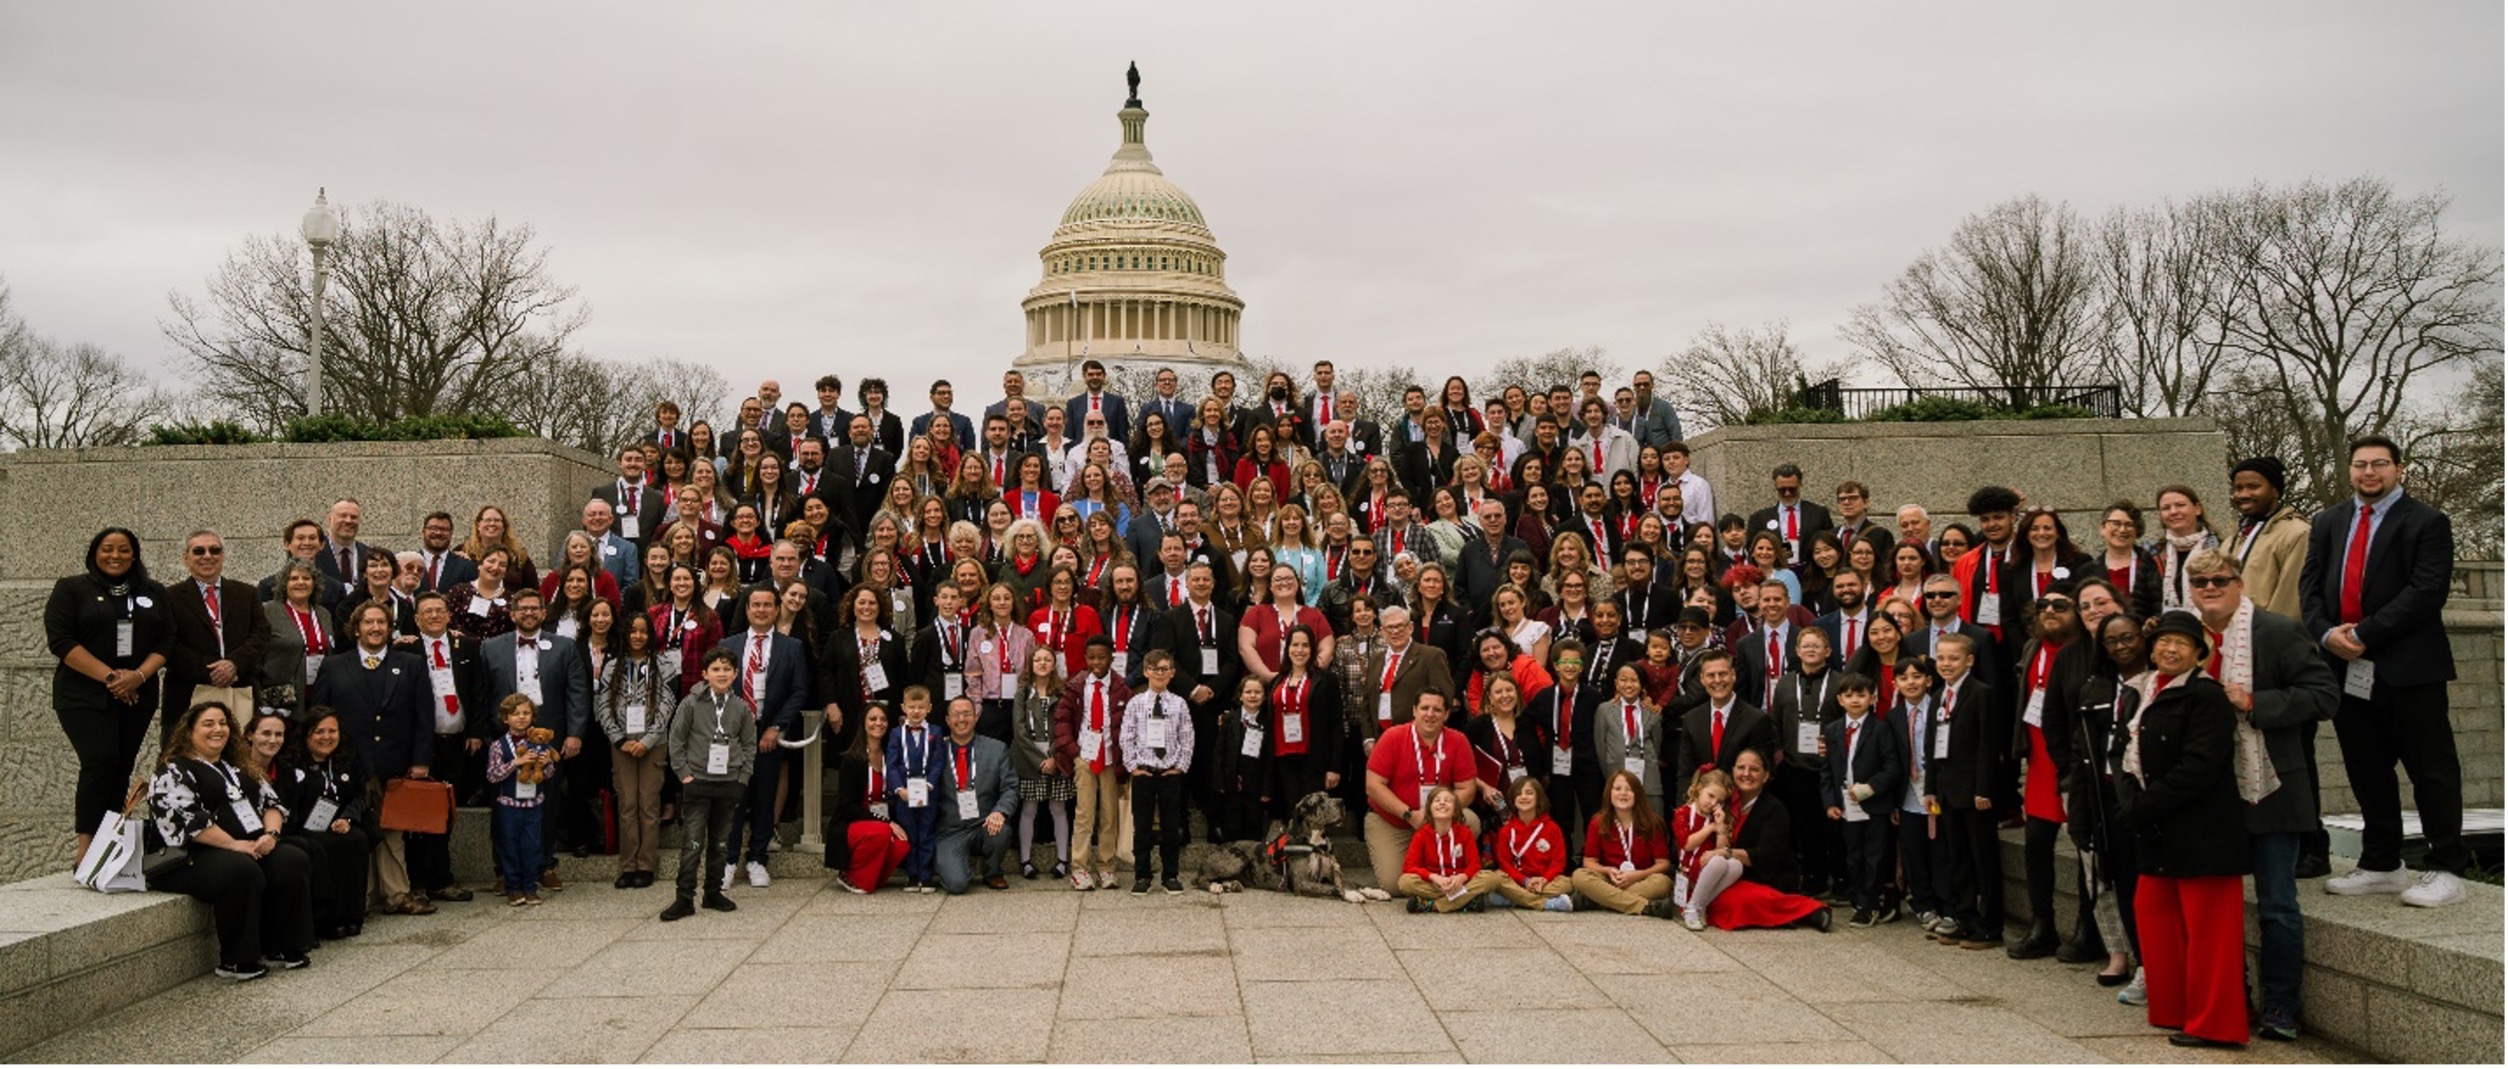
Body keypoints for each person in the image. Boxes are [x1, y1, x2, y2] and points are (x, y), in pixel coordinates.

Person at [2179, 549, 2338, 1039]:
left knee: (2277, 905)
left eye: (2219, 580)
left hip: (2270, 785)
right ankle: (2229, 1000)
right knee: (2213, 909)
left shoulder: (2277, 631)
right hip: (2209, 793)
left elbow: (2324, 696)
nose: (2210, 588)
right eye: (2200, 581)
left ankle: (2281, 1007)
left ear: (2238, 582)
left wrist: (2254, 703)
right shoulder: (2185, 638)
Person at [2303, 435, 2466, 908]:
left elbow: (2427, 590)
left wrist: (2366, 633)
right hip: (2346, 666)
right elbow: (2310, 585)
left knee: (2430, 769)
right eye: (2360, 465)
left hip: (2409, 668)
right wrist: (2326, 633)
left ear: (2398, 468)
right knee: (2366, 768)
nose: (2368, 473)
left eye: (2379, 464)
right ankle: (2381, 862)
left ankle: (2446, 865)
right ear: (2349, 470)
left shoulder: (2428, 522)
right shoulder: (2329, 521)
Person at [2113, 612, 2251, 1049]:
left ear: (2198, 653)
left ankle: (2217, 1025)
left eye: (2182, 643)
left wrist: (2143, 806)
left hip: (2202, 829)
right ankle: (2172, 1008)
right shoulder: (2145, 690)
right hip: (2157, 829)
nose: (2170, 649)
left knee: (2211, 933)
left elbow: (2201, 766)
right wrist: (2132, 800)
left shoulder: (2205, 696)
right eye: (2164, 642)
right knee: (2153, 913)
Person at [148, 700, 316, 980]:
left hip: (250, 845)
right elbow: (189, 820)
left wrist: (271, 835)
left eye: (223, 723)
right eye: (208, 724)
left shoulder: (238, 767)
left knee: (291, 859)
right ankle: (237, 961)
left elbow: (273, 804)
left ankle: (282, 946)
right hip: (193, 855)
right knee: (241, 870)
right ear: (189, 731)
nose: (218, 729)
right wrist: (235, 845)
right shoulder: (174, 770)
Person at [50, 527, 173, 863]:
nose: (115, 556)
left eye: (123, 550)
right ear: (94, 552)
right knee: (100, 759)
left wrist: (137, 676)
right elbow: (61, 642)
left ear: (134, 555)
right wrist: (111, 678)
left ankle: (111, 839)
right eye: (107, 549)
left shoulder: (153, 592)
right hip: (83, 694)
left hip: (138, 694)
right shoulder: (72, 588)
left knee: (120, 766)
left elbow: (166, 642)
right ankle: (86, 846)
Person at [308, 601, 432, 915]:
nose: (375, 628)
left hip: (396, 763)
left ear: (390, 628)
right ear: (356, 628)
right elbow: (320, 715)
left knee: (392, 831)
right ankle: (358, 897)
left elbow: (423, 716)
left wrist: (421, 760)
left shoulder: (410, 664)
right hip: (349, 764)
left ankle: (396, 894)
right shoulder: (334, 665)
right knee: (353, 829)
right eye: (368, 623)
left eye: (381, 623)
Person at [478, 588, 589, 893]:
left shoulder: (565, 647)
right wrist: (486, 736)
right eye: (522, 608)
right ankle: (504, 870)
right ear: (512, 614)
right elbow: (482, 693)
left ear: (543, 613)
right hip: (505, 740)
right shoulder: (490, 648)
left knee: (548, 804)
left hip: (547, 739)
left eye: (534, 608)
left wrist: (574, 733)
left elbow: (577, 692)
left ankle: (544, 865)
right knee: (503, 807)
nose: (528, 613)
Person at [1925, 632, 2006, 949]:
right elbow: (1931, 747)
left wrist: (1983, 789)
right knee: (1956, 857)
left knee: (1982, 858)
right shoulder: (1938, 697)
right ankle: (1964, 917)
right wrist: (1931, 787)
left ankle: (1989, 925)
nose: (1946, 664)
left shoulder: (1980, 694)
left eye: (1953, 658)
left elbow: (1988, 745)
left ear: (1969, 661)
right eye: (1941, 658)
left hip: (1974, 791)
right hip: (1946, 790)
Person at [267, 710, 372, 941]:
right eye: (319, 732)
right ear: (306, 735)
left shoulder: (346, 760)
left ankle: (350, 916)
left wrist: (347, 818)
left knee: (357, 840)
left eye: (332, 731)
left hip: (338, 824)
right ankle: (325, 920)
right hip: (301, 828)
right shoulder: (291, 765)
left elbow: (360, 795)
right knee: (320, 847)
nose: (327, 737)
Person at [662, 650, 752, 920]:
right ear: (705, 674)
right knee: (692, 842)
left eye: (727, 669)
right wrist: (684, 774)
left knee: (721, 842)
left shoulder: (741, 707)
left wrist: (743, 777)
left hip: (728, 782)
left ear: (735, 674)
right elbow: (676, 740)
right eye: (715, 669)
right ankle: (684, 896)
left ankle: (713, 892)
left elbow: (749, 744)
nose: (721, 674)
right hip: (698, 781)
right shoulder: (690, 703)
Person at [1700, 749, 1831, 931]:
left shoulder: (1775, 809)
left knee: (1734, 901)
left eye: (1754, 769)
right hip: (1727, 874)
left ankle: (1810, 911)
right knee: (1710, 894)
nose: (1746, 774)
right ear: (1732, 771)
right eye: (1741, 768)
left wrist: (1726, 853)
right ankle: (1781, 916)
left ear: (1766, 775)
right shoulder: (1724, 801)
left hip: (1765, 876)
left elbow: (1767, 856)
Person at [1362, 689, 1480, 889]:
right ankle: (1436, 877)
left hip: (1440, 821)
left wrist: (1437, 813)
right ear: (1414, 711)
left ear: (1446, 714)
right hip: (1394, 821)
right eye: (1424, 708)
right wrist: (1409, 815)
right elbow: (1373, 786)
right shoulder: (1393, 737)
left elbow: (1467, 789)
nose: (1430, 714)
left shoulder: (1458, 741)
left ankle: (1444, 874)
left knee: (1472, 821)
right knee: (1393, 885)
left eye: (1437, 709)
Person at [163, 529, 270, 739]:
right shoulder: (169, 596)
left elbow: (262, 633)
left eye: (214, 550)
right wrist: (210, 670)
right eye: (198, 551)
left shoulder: (246, 593)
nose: (207, 556)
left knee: (240, 762)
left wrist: (233, 663)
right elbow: (168, 643)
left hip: (240, 689)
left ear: (222, 556)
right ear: (186, 558)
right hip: (188, 692)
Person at [596, 611, 674, 889]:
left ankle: (646, 864)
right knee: (627, 803)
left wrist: (648, 740)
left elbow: (667, 704)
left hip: (653, 744)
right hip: (623, 743)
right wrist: (619, 739)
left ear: (650, 635)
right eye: (632, 631)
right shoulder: (612, 666)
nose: (638, 636)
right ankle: (628, 865)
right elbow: (603, 705)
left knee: (648, 804)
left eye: (643, 631)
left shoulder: (663, 664)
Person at [1818, 674, 1901, 927]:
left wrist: (1871, 788)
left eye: (1862, 695)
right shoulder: (1832, 730)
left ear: (1872, 698)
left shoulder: (1881, 728)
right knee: (1853, 853)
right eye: (1850, 695)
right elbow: (1826, 771)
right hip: (1846, 804)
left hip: (1874, 803)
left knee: (1874, 854)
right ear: (1840, 699)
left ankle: (1870, 902)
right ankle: (1858, 895)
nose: (1855, 700)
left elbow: (1893, 767)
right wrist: (1830, 802)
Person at [1118, 651, 1193, 894]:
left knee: (1171, 827)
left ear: (1172, 673)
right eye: (1155, 668)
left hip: (1169, 772)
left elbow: (1187, 737)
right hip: (1145, 773)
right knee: (1142, 827)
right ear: (1146, 671)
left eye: (1165, 669)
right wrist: (1133, 767)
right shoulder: (1136, 703)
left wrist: (1180, 767)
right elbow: (1126, 737)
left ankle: (1171, 875)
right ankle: (1142, 875)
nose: (1160, 673)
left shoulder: (1179, 704)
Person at [932, 695, 1020, 893]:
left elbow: (1011, 787)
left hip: (984, 823)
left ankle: (993, 872)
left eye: (967, 714)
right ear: (947, 720)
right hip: (950, 830)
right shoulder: (935, 751)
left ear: (976, 717)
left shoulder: (996, 749)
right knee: (957, 885)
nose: (961, 719)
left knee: (1001, 831)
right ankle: (956, 867)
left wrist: (1001, 812)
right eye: (956, 715)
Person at [482, 694, 558, 906]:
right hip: (509, 804)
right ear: (506, 718)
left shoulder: (538, 741)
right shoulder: (498, 746)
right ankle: (513, 887)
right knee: (510, 845)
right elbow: (492, 775)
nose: (521, 718)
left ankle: (530, 886)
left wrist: (545, 763)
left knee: (532, 845)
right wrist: (516, 762)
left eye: (526, 713)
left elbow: (550, 773)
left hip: (533, 803)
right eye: (515, 714)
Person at [829, 703, 911, 893]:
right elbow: (847, 805)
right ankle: (850, 876)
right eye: (873, 719)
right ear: (863, 724)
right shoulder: (852, 759)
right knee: (882, 832)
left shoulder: (890, 757)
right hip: (854, 822)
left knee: (901, 846)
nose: (878, 723)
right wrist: (886, 823)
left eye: (883, 719)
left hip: (880, 821)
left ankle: (871, 877)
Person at [1671, 648, 1773, 802]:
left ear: (1733, 675)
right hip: (1701, 808)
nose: (1717, 680)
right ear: (1702, 679)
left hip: (1740, 808)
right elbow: (1685, 773)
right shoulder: (1692, 719)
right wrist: (1686, 811)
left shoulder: (1756, 720)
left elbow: (1760, 774)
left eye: (1723, 674)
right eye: (1711, 675)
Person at [1571, 769, 1676, 917]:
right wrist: (1608, 871)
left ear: (1637, 795)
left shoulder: (1651, 822)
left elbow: (1663, 863)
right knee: (1579, 876)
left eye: (1629, 789)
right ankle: (1645, 907)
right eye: (1618, 788)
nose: (1623, 793)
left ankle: (1596, 900)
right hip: (1609, 880)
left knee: (1663, 882)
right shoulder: (1598, 822)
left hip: (1640, 880)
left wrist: (1639, 875)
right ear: (1609, 793)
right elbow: (1589, 861)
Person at [1009, 645, 1073, 881]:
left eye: (1047, 659)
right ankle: (1026, 860)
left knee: (1058, 808)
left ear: (1054, 664)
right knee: (1029, 808)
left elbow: (1066, 725)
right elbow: (1019, 731)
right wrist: (1039, 760)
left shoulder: (1063, 692)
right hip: (1030, 758)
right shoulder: (1023, 693)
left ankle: (1062, 860)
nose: (1043, 663)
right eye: (1038, 660)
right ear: (1031, 664)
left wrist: (1055, 757)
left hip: (1056, 757)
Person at [1486, 776, 1574, 912]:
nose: (1524, 797)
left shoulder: (1552, 828)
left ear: (1538, 798)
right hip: (1518, 882)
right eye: (1519, 793)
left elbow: (1558, 863)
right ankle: (1547, 904)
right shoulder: (1506, 831)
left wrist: (1544, 880)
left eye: (1529, 793)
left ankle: (1515, 899)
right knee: (1496, 877)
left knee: (1568, 883)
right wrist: (1525, 881)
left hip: (1545, 882)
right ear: (1512, 799)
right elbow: (1505, 864)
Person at [1398, 786, 1491, 913]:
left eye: (1447, 800)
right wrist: (1434, 877)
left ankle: (1432, 905)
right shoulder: (1421, 834)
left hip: (1459, 883)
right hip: (1435, 884)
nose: (1442, 803)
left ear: (1455, 810)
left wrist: (1461, 878)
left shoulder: (1465, 833)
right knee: (1405, 882)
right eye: (1437, 800)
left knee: (1491, 878)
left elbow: (1474, 865)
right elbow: (1409, 866)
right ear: (1429, 809)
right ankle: (1466, 901)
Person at [1668, 768, 1736, 929]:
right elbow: (1687, 844)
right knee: (1719, 862)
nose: (1713, 803)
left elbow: (1721, 849)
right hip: (1689, 868)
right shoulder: (1683, 812)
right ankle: (1692, 907)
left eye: (1719, 801)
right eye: (1711, 796)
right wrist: (1711, 827)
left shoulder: (1715, 819)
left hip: (1707, 867)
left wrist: (1720, 827)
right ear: (1699, 788)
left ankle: (1697, 904)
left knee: (1736, 865)